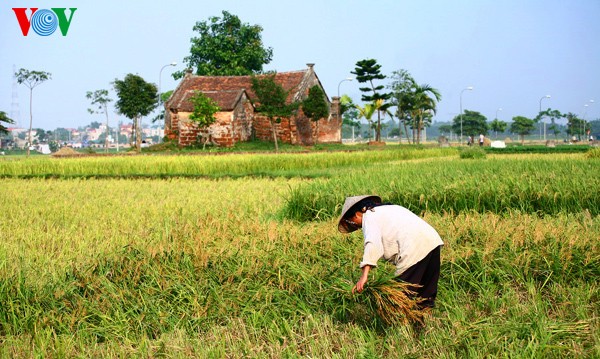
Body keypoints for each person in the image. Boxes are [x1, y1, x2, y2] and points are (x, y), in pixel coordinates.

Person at [338, 195, 444, 309]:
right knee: (425, 294)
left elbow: (372, 243)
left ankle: (402, 324)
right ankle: (424, 323)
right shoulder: (391, 208)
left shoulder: (369, 217)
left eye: (352, 222)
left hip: (413, 248)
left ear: (356, 214)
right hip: (433, 242)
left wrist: (364, 276)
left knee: (399, 297)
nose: (356, 226)